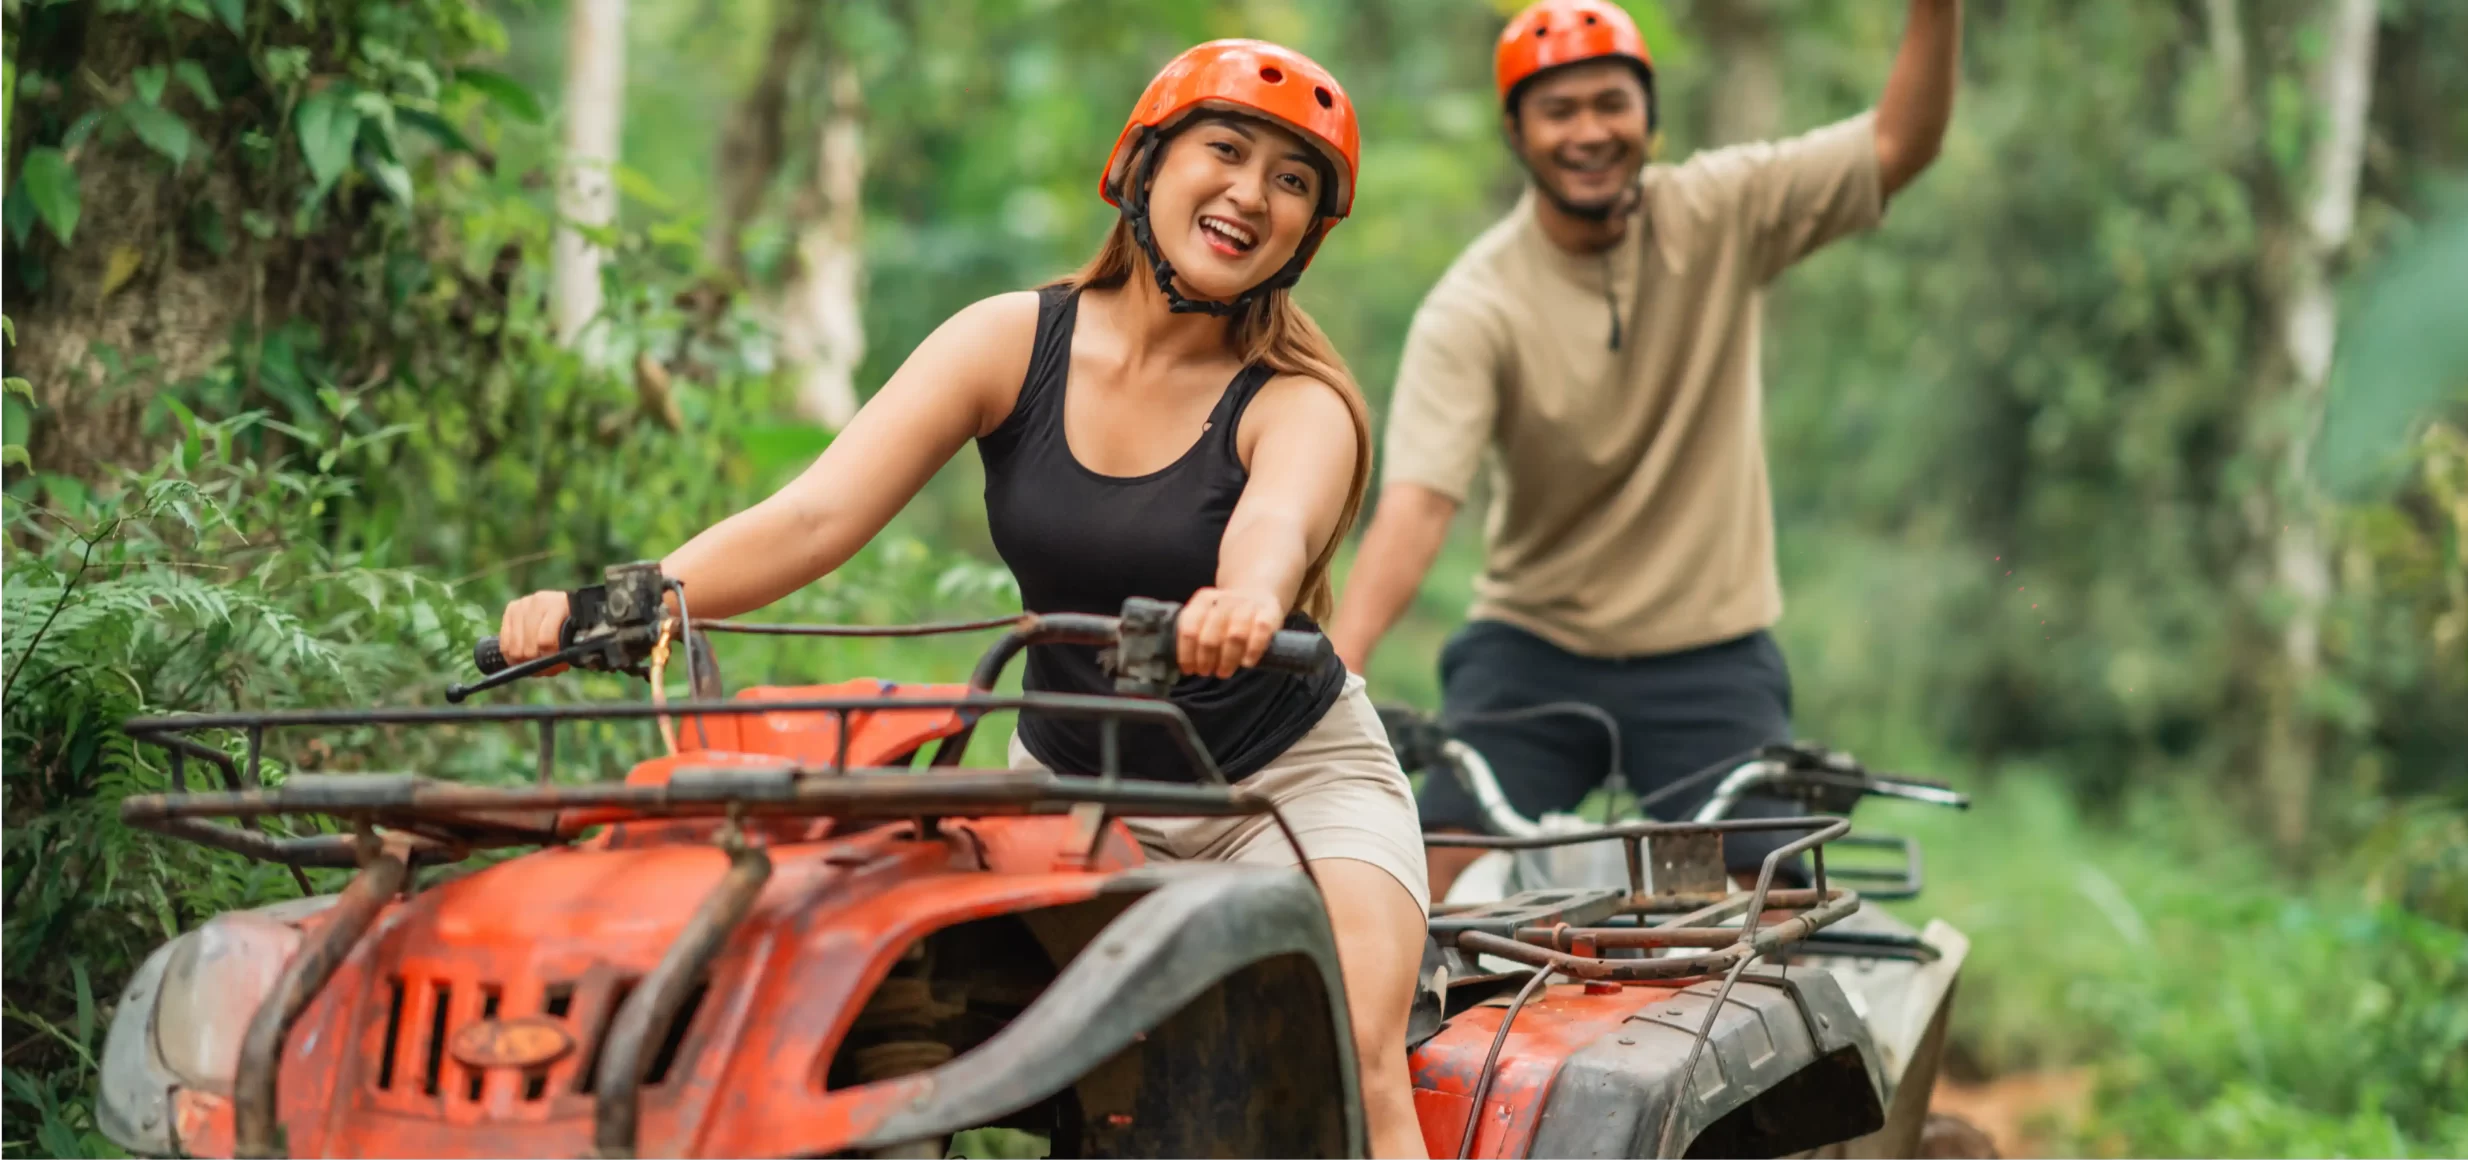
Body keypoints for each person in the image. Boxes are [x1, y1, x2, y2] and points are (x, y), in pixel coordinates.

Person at [496, 40, 1432, 1159]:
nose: (1250, 194)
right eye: (1224, 151)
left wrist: (1244, 604)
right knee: (876, 1004)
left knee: (1348, 1056)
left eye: (1291, 182)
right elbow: (814, 518)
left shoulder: (1296, 401)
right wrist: (620, 605)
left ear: (1306, 235)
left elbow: (1270, 532)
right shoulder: (1011, 342)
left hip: (1283, 786)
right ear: (1141, 166)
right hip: (1073, 788)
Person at [1332, 0, 1962, 901]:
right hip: (1534, 642)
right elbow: (1421, 502)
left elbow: (1899, 145)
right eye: (1559, 111)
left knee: (1770, 913)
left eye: (1611, 103)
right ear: (1516, 131)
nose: (1589, 131)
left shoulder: (1719, 211)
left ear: (1649, 117)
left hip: (1708, 649)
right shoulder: (1475, 304)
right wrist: (1336, 676)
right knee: (1418, 876)